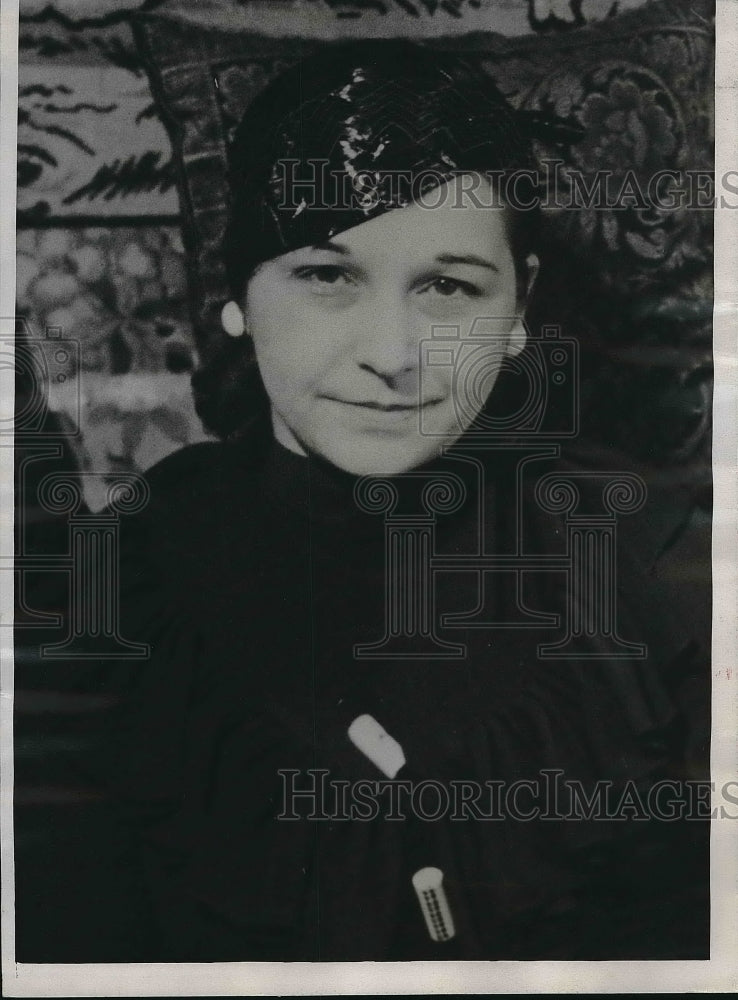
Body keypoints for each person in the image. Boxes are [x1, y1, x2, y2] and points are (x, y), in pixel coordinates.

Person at [19, 40, 709, 962]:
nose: (393, 353)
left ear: (518, 314)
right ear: (239, 296)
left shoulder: (652, 559)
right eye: (326, 276)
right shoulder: (121, 586)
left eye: (449, 287)